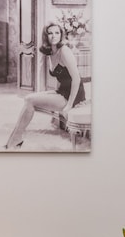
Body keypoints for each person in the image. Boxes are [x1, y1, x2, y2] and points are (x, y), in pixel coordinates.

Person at [5, 21, 86, 149]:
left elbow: (76, 78)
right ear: (46, 36)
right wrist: (50, 93)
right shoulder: (50, 53)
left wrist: (69, 105)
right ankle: (15, 139)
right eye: (50, 33)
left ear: (61, 35)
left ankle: (15, 139)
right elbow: (59, 77)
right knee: (29, 99)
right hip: (62, 91)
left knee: (29, 99)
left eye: (57, 33)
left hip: (73, 96)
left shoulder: (64, 51)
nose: (54, 36)